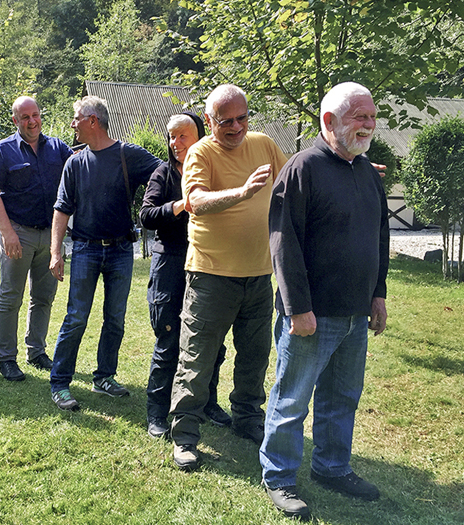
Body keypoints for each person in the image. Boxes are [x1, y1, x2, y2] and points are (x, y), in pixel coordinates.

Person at [261, 82, 389, 521]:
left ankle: (332, 467)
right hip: (311, 315)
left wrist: (378, 294)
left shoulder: (367, 172)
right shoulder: (302, 168)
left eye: (372, 116)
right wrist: (297, 308)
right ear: (329, 121)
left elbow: (380, 237)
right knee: (292, 399)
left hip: (355, 312)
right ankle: (279, 476)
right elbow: (284, 243)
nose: (369, 125)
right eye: (360, 116)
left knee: (342, 397)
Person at [169, 85, 289, 471]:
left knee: (254, 356)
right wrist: (243, 192)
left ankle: (247, 418)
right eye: (226, 121)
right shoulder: (201, 153)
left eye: (242, 118)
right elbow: (196, 202)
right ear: (209, 121)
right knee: (197, 358)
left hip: (259, 275)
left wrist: (346, 168)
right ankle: (185, 436)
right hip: (211, 276)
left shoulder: (264, 144)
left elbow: (295, 181)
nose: (236, 127)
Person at [48, 95, 162, 411]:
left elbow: (164, 173)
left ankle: (104, 377)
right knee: (76, 318)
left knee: (115, 319)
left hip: (121, 250)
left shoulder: (129, 154)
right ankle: (59, 383)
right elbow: (61, 209)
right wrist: (56, 252)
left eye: (76, 118)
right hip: (85, 249)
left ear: (92, 120)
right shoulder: (74, 163)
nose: (73, 124)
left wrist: (156, 206)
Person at [140, 112, 231, 439]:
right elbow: (146, 216)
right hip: (171, 262)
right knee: (169, 338)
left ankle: (207, 402)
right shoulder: (163, 173)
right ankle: (157, 411)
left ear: (200, 137)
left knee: (211, 338)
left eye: (183, 136)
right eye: (171, 136)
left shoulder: (215, 169)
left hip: (208, 262)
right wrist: (180, 205)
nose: (175, 143)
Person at [0, 96, 73, 381]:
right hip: (18, 233)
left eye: (35, 115)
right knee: (11, 298)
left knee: (44, 297)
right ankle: (7, 358)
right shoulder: (3, 150)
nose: (32, 121)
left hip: (51, 235)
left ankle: (36, 351)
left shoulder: (58, 148)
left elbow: (80, 171)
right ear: (15, 121)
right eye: (25, 117)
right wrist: (7, 232)